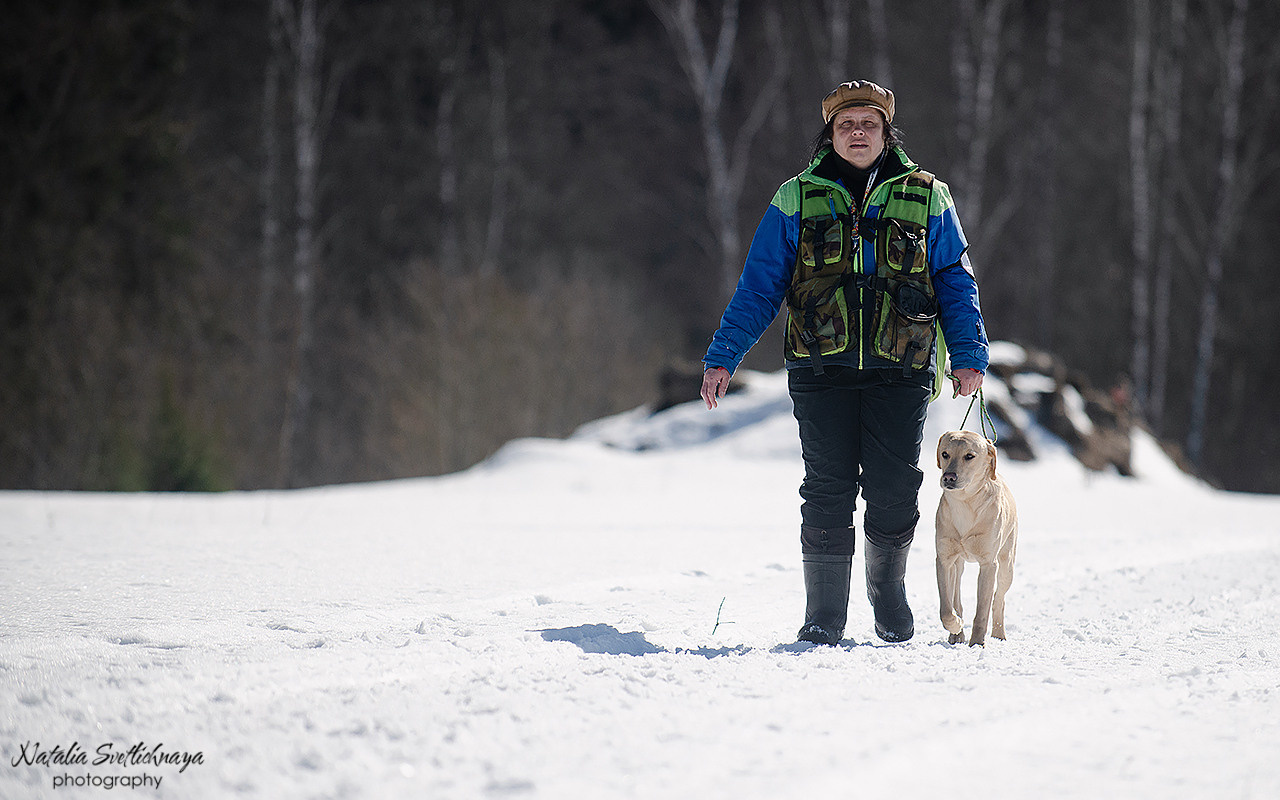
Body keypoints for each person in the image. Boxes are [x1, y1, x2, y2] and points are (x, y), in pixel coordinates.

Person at [700, 80, 989, 645]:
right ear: (830, 134)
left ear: (886, 133)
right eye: (846, 125)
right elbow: (760, 286)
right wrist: (723, 357)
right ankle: (824, 615)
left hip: (901, 367)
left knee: (894, 487)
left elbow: (955, 279)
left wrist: (969, 353)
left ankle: (887, 591)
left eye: (869, 124)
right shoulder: (795, 197)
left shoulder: (929, 196)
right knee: (827, 487)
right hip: (819, 368)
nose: (858, 133)